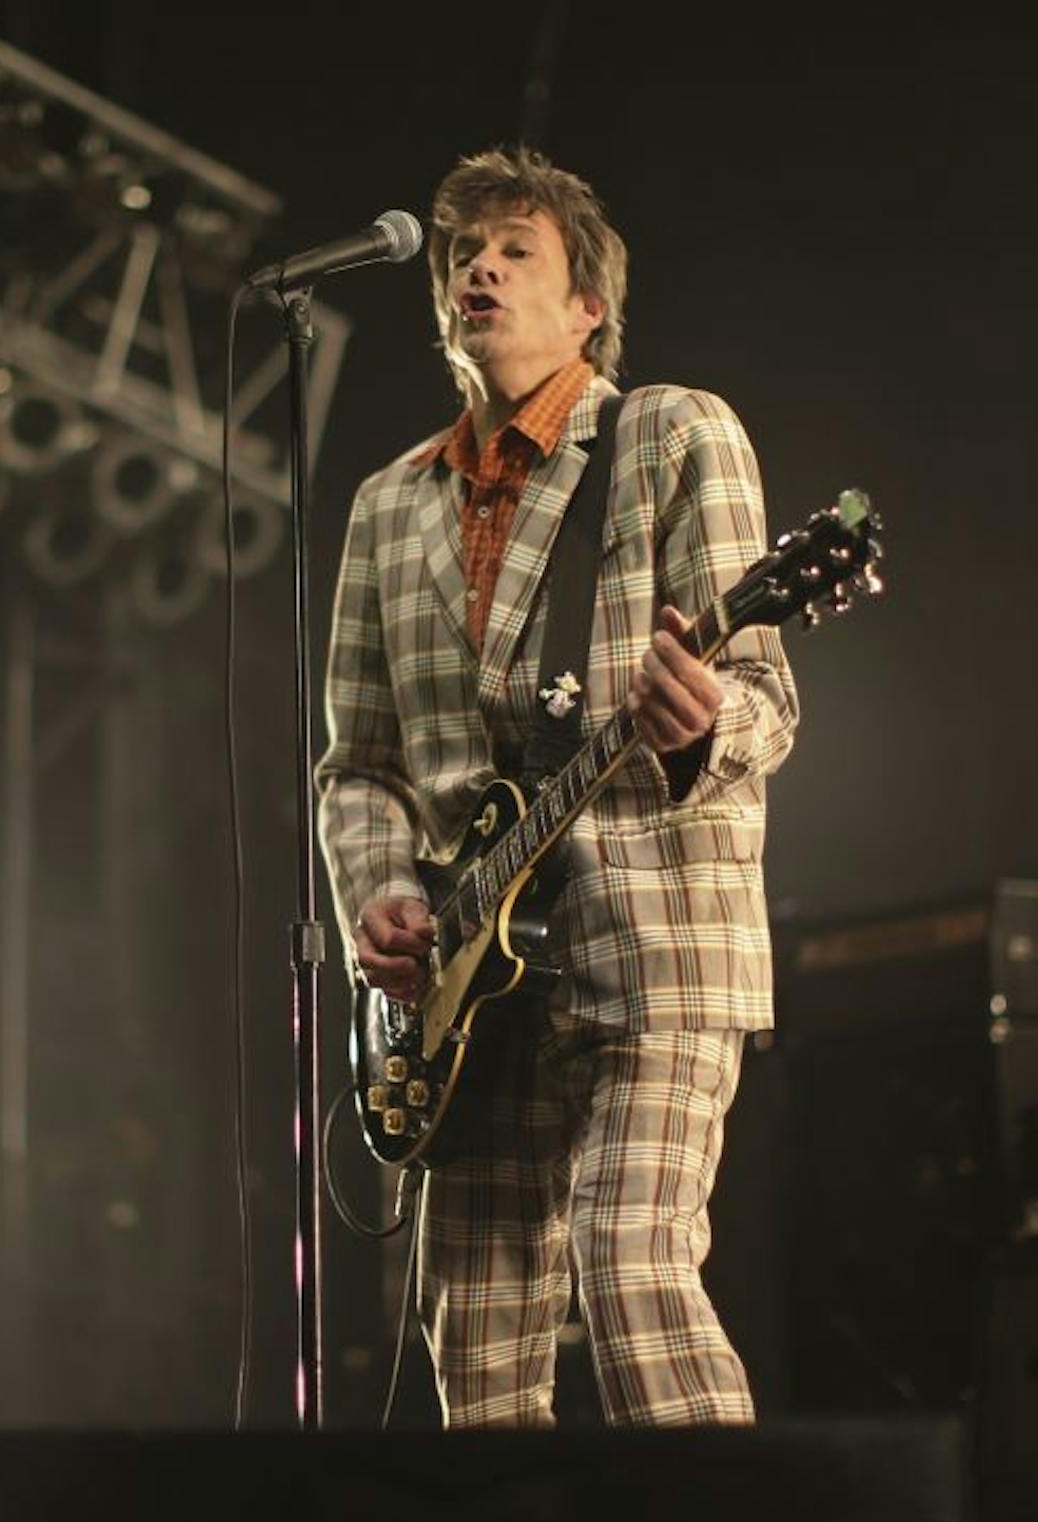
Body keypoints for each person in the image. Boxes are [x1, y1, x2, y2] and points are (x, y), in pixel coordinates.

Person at [316, 147, 798, 1428]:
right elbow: (360, 763)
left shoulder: (673, 433)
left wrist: (700, 725)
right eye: (460, 254)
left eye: (513, 249)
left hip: (656, 939)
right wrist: (378, 891)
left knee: (628, 1266)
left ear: (588, 305)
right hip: (471, 985)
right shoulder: (384, 507)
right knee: (472, 1346)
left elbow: (767, 697)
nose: (477, 268)